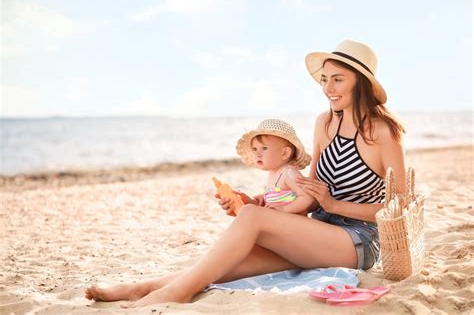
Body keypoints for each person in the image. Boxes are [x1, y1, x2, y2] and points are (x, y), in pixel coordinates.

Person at [85, 39, 406, 307]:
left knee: (251, 218)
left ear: (360, 82)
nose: (327, 88)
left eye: (338, 79)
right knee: (236, 257)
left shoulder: (382, 133)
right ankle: (145, 287)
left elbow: (399, 207)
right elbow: (311, 194)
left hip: (358, 241)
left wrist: (335, 206)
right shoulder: (325, 122)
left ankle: (176, 294)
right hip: (316, 231)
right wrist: (259, 202)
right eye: (324, 79)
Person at [232, 118, 313, 215]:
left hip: (294, 224)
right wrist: (261, 198)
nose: (257, 154)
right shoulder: (273, 173)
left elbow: (307, 197)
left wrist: (285, 209)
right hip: (280, 223)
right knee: (247, 211)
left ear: (285, 153)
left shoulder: (289, 172)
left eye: (264, 148)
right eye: (254, 149)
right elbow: (276, 201)